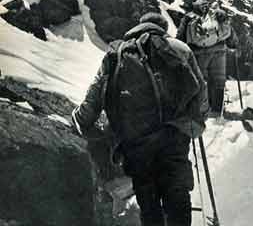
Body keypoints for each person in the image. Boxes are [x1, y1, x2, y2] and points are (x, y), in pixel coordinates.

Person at [72, 12, 208, 226]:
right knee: (177, 193)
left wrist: (80, 119)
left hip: (136, 141)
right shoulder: (180, 49)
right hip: (173, 136)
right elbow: (200, 92)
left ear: (140, 26)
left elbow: (96, 93)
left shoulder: (118, 52)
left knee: (148, 198)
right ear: (162, 27)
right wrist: (194, 123)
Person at [177, 0, 238, 117]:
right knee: (219, 81)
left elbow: (180, 36)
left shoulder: (189, 17)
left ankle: (202, 111)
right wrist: (234, 45)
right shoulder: (218, 15)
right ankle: (217, 111)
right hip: (219, 52)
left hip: (198, 53)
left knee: (201, 81)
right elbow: (230, 34)